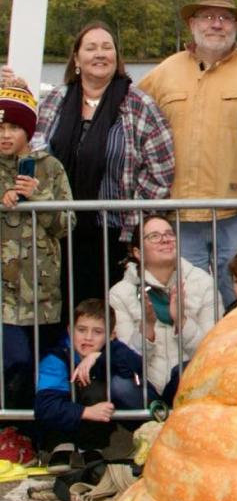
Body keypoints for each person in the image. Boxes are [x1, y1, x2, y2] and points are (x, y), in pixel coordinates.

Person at [33, 21, 174, 308]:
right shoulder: (53, 102)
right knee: (59, 313)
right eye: (91, 48)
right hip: (56, 235)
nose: (100, 54)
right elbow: (33, 154)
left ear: (117, 58)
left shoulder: (139, 105)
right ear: (76, 58)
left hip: (114, 237)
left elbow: (161, 171)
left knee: (108, 316)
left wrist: (134, 227)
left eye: (107, 47)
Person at [139, 0, 237, 306]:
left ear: (236, 26)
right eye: (208, 17)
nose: (216, 24)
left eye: (225, 17)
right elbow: (128, 114)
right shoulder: (164, 72)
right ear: (192, 23)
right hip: (180, 213)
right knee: (189, 301)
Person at [0, 85, 71, 465]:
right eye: (0, 126)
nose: (5, 134)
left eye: (13, 126)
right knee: (15, 360)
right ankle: (11, 431)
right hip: (3, 291)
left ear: (28, 130)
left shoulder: (50, 167)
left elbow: (67, 223)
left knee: (44, 364)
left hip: (43, 289)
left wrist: (39, 199)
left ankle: (40, 438)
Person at [109, 215, 220, 405]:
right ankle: (156, 426)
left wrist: (182, 322)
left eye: (169, 234)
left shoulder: (203, 283)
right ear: (138, 252)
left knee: (185, 371)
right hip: (146, 384)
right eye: (154, 236)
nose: (165, 239)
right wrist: (148, 328)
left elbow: (210, 352)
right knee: (120, 386)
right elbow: (128, 361)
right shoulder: (121, 292)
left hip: (187, 380)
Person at [34, 298, 147, 455]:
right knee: (70, 391)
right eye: (81, 330)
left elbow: (136, 366)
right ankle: (61, 446)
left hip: (95, 434)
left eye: (97, 332)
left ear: (111, 335)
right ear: (69, 330)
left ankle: (92, 450)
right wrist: (86, 412)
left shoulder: (112, 350)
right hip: (60, 432)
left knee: (98, 388)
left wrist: (98, 357)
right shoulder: (56, 359)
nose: (88, 337)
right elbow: (45, 407)